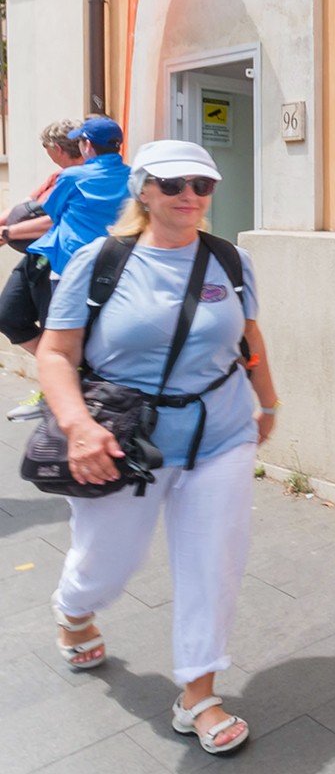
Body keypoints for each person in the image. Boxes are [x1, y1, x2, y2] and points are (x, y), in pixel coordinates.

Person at [37, 139, 279, 757]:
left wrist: (267, 402)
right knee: (107, 564)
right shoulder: (101, 261)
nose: (190, 196)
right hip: (123, 443)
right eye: (173, 185)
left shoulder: (230, 260)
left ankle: (198, 693)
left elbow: (249, 340)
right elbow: (57, 355)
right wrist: (78, 427)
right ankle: (74, 610)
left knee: (213, 562)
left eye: (202, 185)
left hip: (220, 436)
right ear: (143, 190)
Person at [2, 116, 132, 419]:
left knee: (60, 340)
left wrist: (10, 232)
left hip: (67, 269)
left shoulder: (72, 177)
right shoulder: (132, 177)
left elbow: (52, 213)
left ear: (86, 146)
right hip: (111, 268)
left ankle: (68, 404)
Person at [0, 119, 87, 254]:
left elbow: (57, 221)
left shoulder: (84, 181)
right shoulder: (58, 176)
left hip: (62, 252)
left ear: (57, 148)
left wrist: (10, 232)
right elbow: (27, 202)